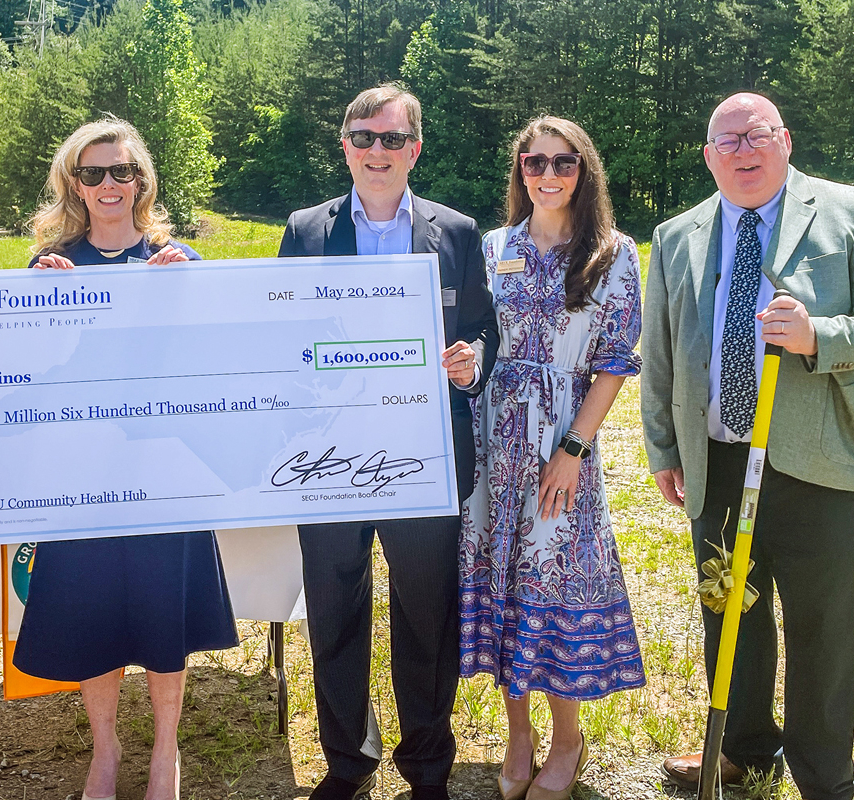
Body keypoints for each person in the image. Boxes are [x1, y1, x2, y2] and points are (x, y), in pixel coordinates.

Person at [641, 93, 854, 800]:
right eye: (726, 141)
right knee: (728, 608)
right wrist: (665, 450)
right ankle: (747, 753)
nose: (743, 150)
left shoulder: (853, 212)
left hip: (815, 462)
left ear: (785, 140)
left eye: (757, 135)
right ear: (708, 156)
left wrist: (820, 335)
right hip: (717, 458)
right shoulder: (677, 236)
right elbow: (664, 353)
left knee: (822, 632)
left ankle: (827, 780)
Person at [278, 84, 499, 800]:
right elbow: (278, 336)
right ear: (344, 144)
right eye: (364, 137)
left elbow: (484, 329)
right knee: (335, 609)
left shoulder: (457, 232)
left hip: (423, 456)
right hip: (328, 457)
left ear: (415, 149)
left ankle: (428, 765)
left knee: (425, 614)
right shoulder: (306, 230)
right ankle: (349, 762)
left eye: (393, 139)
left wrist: (472, 362)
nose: (378, 151)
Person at [11, 117, 239, 800]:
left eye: (122, 171)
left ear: (142, 180)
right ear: (72, 185)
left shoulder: (182, 264)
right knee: (90, 609)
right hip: (81, 473)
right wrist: (34, 305)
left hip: (165, 473)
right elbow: (24, 370)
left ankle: (165, 751)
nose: (109, 184)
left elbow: (221, 367)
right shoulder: (48, 269)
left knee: (162, 606)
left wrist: (190, 298)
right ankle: (105, 750)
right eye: (93, 173)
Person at [459, 116, 646, 800]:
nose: (547, 174)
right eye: (533, 162)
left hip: (562, 437)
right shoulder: (495, 246)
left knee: (553, 581)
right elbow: (481, 337)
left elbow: (616, 361)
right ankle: (518, 733)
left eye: (562, 162)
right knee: (502, 577)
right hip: (494, 438)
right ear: (520, 170)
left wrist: (574, 447)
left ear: (583, 169)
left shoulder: (612, 252)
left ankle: (567, 740)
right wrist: (469, 363)